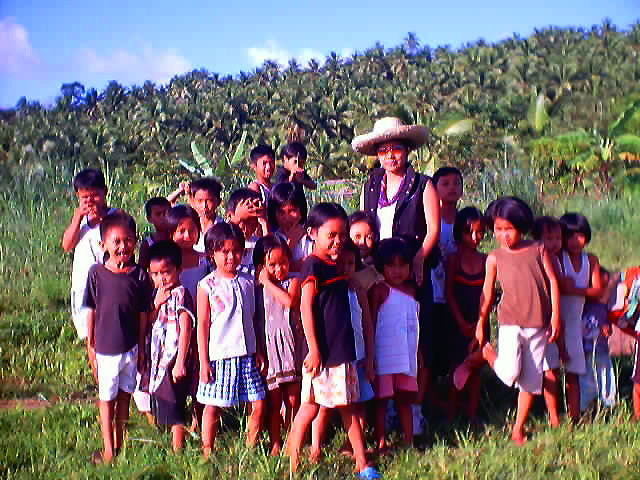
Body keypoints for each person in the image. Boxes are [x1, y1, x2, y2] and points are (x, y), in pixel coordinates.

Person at [354, 116, 439, 431]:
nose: (390, 156)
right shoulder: (372, 184)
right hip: (379, 270)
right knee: (383, 338)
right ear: (377, 154)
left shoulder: (423, 184)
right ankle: (386, 407)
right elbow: (365, 221)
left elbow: (431, 230)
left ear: (407, 151)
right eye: (384, 150)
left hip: (410, 272)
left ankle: (414, 409)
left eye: (396, 149)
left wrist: (418, 261)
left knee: (417, 340)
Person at [287, 203, 379, 479]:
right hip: (324, 354)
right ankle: (292, 461)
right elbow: (305, 307)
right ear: (313, 233)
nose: (338, 241)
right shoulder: (313, 266)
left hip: (342, 351)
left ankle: (362, 463)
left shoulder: (337, 266)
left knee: (347, 406)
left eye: (342, 235)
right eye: (331, 235)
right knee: (309, 408)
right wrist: (314, 349)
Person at [472, 197, 560, 445]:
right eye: (498, 229)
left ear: (520, 225)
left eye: (508, 229)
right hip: (510, 322)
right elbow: (487, 293)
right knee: (510, 373)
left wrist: (555, 316)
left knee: (532, 381)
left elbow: (552, 281)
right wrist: (481, 322)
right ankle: (489, 355)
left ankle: (517, 428)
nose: (503, 235)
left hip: (539, 325)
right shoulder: (494, 257)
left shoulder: (538, 249)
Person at [83, 211, 153, 463]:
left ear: (135, 241)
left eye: (128, 240)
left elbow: (144, 314)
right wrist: (90, 346)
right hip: (105, 350)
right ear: (104, 245)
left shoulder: (140, 276)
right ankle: (108, 449)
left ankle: (120, 443)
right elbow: (90, 311)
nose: (123, 247)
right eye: (117, 242)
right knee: (107, 400)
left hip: (131, 349)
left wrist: (142, 348)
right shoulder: (96, 274)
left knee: (125, 397)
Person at [196, 223, 266, 458]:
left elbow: (254, 319)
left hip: (247, 354)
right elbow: (203, 325)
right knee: (213, 405)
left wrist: (258, 350)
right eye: (224, 251)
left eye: (236, 250)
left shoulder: (248, 282)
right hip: (220, 356)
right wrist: (203, 361)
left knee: (257, 403)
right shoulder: (207, 285)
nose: (230, 256)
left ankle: (251, 448)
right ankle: (208, 450)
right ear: (211, 253)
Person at [310, 240, 375, 461]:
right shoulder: (328, 290)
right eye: (341, 264)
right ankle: (315, 447)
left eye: (351, 263)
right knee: (325, 407)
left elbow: (367, 323)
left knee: (358, 405)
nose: (346, 268)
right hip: (335, 358)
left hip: (358, 356)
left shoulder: (359, 290)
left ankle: (352, 448)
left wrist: (371, 359)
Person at [253, 234, 304, 455]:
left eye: (282, 263)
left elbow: (290, 301)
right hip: (269, 349)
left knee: (293, 398)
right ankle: (275, 442)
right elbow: (255, 321)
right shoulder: (256, 289)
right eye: (271, 265)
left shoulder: (293, 281)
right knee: (274, 403)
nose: (278, 269)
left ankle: (293, 438)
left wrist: (267, 281)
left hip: (291, 348)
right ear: (261, 266)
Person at [369, 238, 420, 450]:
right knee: (381, 401)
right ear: (381, 267)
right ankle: (381, 441)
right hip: (384, 356)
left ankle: (409, 442)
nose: (397, 271)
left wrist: (420, 353)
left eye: (403, 265)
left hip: (407, 355)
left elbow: (415, 326)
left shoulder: (412, 291)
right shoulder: (379, 290)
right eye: (391, 265)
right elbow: (370, 322)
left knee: (404, 400)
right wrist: (370, 356)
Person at [61, 168, 115, 363]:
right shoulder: (80, 221)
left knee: (114, 340)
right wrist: (77, 218)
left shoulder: (117, 218)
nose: (91, 201)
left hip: (111, 288)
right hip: (84, 288)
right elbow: (67, 245)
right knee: (91, 341)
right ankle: (102, 389)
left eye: (95, 195)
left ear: (105, 192)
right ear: (77, 196)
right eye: (85, 197)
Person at [146, 240, 194, 452]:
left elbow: (186, 328)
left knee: (175, 403)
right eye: (155, 274)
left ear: (178, 270)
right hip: (158, 357)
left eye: (166, 272)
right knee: (162, 399)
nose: (161, 278)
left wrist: (180, 361)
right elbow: (148, 321)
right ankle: (167, 439)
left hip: (173, 358)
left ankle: (178, 449)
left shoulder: (181, 294)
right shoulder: (156, 295)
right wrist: (156, 302)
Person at [558, 212, 602, 422]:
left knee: (573, 372)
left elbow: (598, 291)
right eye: (570, 236)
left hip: (575, 323)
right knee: (550, 370)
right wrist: (580, 289)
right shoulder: (558, 258)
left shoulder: (590, 260)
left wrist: (573, 289)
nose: (575, 242)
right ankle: (550, 413)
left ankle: (574, 416)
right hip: (556, 320)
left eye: (580, 236)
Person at [444, 207, 486, 422]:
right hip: (456, 320)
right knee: (456, 367)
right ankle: (451, 414)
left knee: (475, 367)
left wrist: (480, 321)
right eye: (469, 232)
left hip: (479, 320)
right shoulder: (453, 259)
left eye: (479, 233)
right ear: (459, 232)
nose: (475, 238)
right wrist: (460, 321)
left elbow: (487, 295)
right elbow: (448, 293)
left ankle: (472, 414)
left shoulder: (486, 260)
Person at [531, 216, 564, 427]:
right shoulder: (540, 258)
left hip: (551, 320)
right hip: (539, 321)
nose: (554, 243)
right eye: (549, 238)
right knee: (542, 369)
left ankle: (552, 414)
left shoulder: (558, 259)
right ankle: (546, 412)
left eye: (558, 238)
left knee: (550, 369)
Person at [431, 167, 463, 380]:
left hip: (458, 290)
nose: (452, 187)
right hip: (433, 289)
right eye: (445, 183)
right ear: (434, 189)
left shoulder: (466, 222)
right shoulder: (430, 222)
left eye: (456, 183)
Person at [579, 267, 616, 411]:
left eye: (606, 287)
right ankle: (585, 408)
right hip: (586, 350)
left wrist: (607, 328)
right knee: (586, 380)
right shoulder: (583, 306)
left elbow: (607, 325)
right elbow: (583, 328)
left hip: (601, 350)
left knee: (606, 376)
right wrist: (599, 329)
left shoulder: (602, 307)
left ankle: (608, 405)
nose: (604, 291)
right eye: (601, 287)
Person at [267, 182, 312, 272]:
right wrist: (291, 242)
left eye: (292, 211)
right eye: (281, 212)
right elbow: (274, 270)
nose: (287, 218)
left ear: (301, 210)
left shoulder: (311, 236)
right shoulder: (274, 239)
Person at [225, 188, 269, 276]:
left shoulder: (257, 244)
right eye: (243, 221)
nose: (246, 228)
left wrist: (264, 222)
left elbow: (271, 254)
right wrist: (239, 216)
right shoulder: (223, 241)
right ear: (229, 215)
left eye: (252, 223)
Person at [349, 211, 383, 292]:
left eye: (369, 237)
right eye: (357, 236)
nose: (362, 242)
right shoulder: (336, 270)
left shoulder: (375, 276)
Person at [189, 177, 223, 253]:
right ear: (193, 201)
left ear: (219, 202)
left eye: (209, 201)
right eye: (200, 201)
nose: (204, 206)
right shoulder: (189, 226)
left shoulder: (223, 227)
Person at [138, 197, 172, 270]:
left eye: (167, 213)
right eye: (158, 214)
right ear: (149, 219)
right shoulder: (147, 244)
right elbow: (142, 270)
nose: (163, 217)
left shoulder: (178, 238)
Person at [167, 205, 203, 271]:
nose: (187, 236)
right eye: (182, 231)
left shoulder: (206, 260)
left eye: (192, 230)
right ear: (171, 233)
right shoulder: (164, 263)